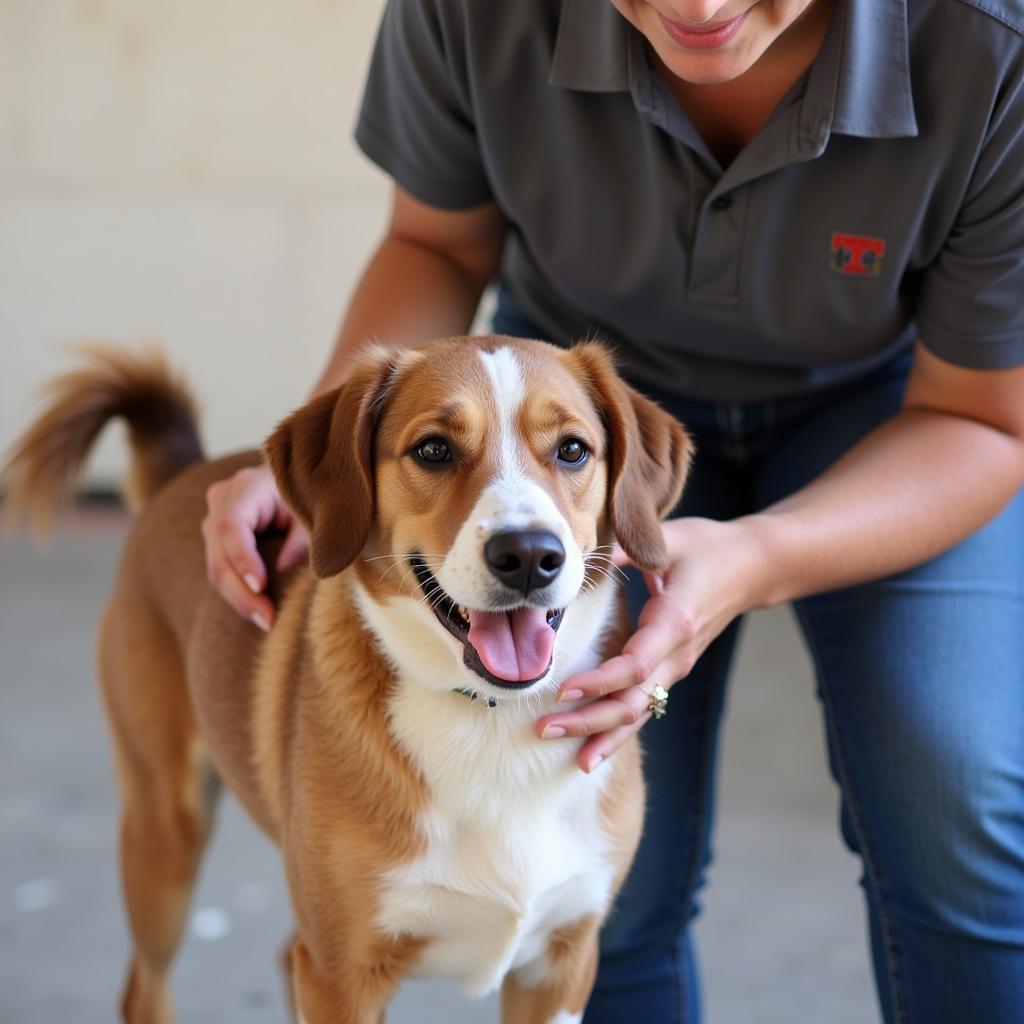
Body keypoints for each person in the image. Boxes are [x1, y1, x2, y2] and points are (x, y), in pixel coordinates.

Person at [202, 1, 1024, 1020]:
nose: (699, 6)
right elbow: (437, 242)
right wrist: (321, 466)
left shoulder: (994, 49)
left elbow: (985, 419)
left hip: (890, 418)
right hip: (565, 412)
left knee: (952, 796)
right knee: (610, 901)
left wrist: (757, 554)